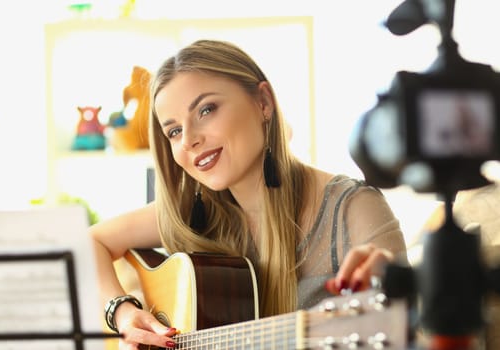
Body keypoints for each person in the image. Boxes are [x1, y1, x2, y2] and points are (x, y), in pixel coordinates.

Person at [90, 39, 408, 349]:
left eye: (206, 110)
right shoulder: (189, 213)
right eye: (173, 130)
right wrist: (122, 311)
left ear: (263, 102)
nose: (188, 140)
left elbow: (405, 318)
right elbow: (91, 241)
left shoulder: (352, 208)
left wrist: (395, 283)